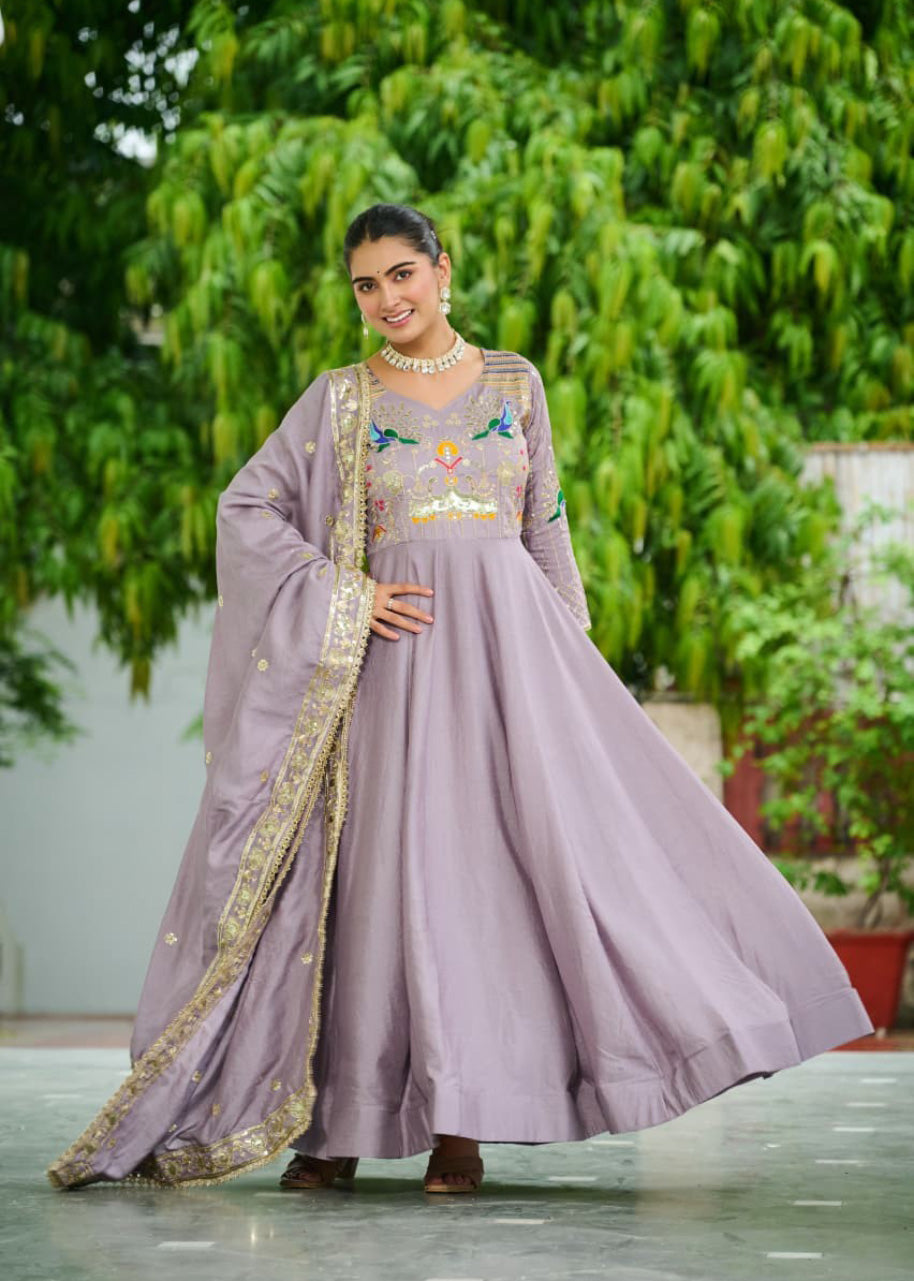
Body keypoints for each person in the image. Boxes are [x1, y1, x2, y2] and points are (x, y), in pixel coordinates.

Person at [47, 203, 874, 1198]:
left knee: (489, 887)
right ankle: (336, 1126)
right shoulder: (339, 400)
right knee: (373, 885)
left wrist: (567, 673)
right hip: (388, 678)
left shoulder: (516, 384)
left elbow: (545, 528)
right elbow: (247, 508)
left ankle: (461, 1124)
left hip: (510, 672)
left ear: (441, 269)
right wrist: (348, 593)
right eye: (366, 284)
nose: (386, 298)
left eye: (401, 274)